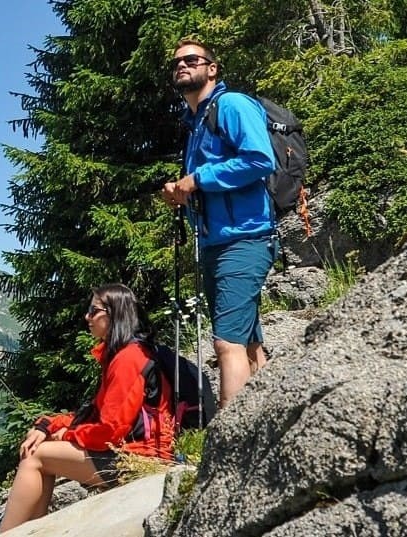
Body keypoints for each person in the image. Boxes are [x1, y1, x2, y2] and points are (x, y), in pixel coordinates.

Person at [0, 284, 175, 535]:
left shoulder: (128, 360)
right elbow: (92, 414)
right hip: (132, 451)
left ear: (114, 315)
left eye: (93, 310)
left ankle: (8, 533)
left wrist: (66, 435)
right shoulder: (124, 354)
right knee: (40, 454)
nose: (87, 317)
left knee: (34, 457)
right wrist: (47, 425)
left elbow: (109, 431)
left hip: (138, 457)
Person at [158, 39, 278, 409]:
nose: (182, 65)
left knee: (227, 343)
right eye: (177, 62)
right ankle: (270, 418)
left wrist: (198, 179)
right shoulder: (195, 124)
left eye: (192, 60)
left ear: (212, 68)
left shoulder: (232, 105)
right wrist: (182, 190)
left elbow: (260, 160)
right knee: (250, 342)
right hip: (215, 243)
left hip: (244, 239)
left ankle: (227, 447)